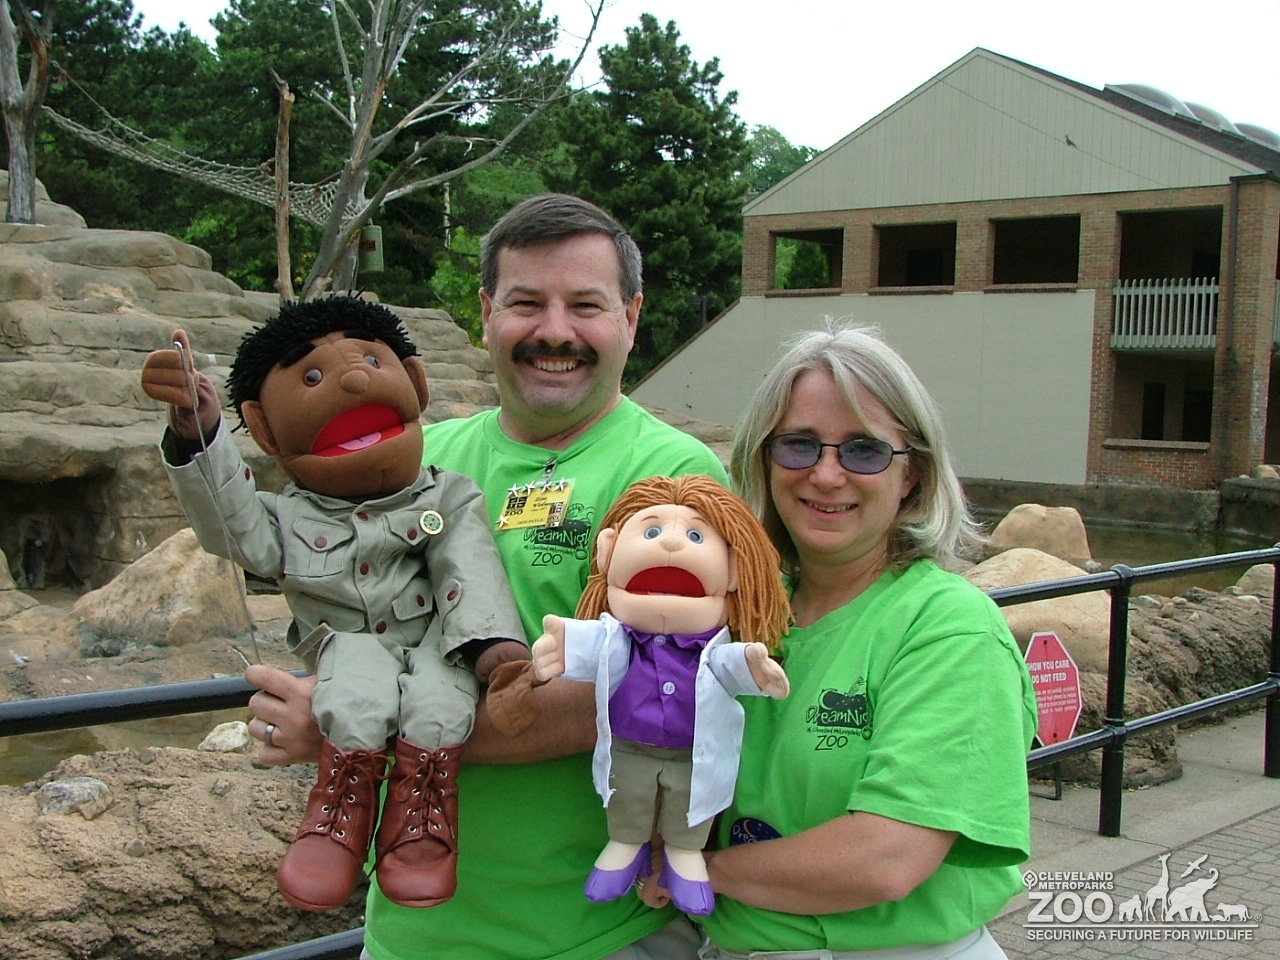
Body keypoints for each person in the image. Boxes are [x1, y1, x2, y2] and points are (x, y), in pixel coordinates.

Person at [243, 195, 726, 959]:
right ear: (486, 313)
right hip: (408, 934)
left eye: (586, 305)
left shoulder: (671, 477)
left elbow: (631, 694)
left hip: (593, 936)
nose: (555, 331)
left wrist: (350, 731)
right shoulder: (418, 459)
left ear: (631, 317)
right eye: (526, 303)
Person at [140, 299, 528, 913]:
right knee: (353, 696)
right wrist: (199, 433)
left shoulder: (447, 494)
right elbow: (231, 530)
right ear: (265, 429)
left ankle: (421, 815)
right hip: (349, 645)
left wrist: (490, 644)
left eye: (372, 362)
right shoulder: (289, 516)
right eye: (312, 377)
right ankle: (336, 817)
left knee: (439, 703)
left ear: (414, 382)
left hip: (439, 642)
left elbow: (468, 566)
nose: (351, 382)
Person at [668, 321, 1037, 959]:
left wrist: (698, 872)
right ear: (762, 459)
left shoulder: (949, 627)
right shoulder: (746, 613)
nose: (826, 474)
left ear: (913, 475)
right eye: (799, 445)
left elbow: (887, 856)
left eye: (864, 451)